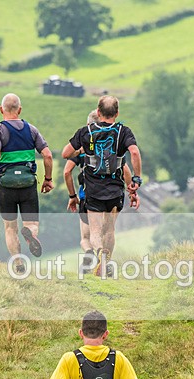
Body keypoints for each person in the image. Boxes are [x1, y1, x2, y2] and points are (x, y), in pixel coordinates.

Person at [62, 96, 142, 277]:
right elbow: (133, 154)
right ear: (117, 113)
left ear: (99, 112)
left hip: (93, 190)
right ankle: (106, 264)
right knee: (110, 230)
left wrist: (81, 150)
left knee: (95, 232)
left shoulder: (86, 132)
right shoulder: (124, 131)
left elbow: (65, 153)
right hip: (115, 190)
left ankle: (99, 255)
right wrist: (135, 183)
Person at [0, 93, 54, 272]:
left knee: (10, 227)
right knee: (31, 224)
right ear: (19, 110)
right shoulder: (32, 130)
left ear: (1, 109)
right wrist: (48, 179)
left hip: (6, 187)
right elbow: (48, 155)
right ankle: (30, 235)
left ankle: (19, 264)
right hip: (28, 185)